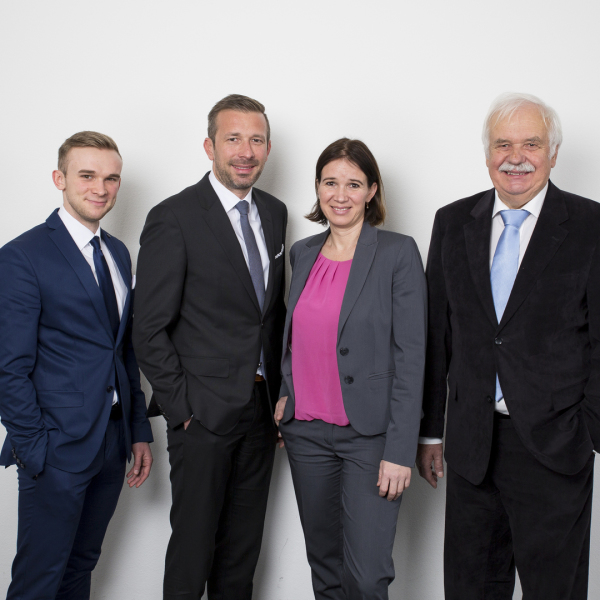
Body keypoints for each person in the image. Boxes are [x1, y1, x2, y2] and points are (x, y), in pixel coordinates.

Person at [417, 93, 600, 599]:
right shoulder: (453, 222)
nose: (515, 157)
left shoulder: (590, 226)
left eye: (531, 144)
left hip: (555, 447)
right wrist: (430, 433)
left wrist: (588, 431)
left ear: (553, 153)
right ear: (487, 154)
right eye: (503, 144)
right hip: (472, 447)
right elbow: (437, 336)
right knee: (471, 588)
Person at [133, 94, 287, 600]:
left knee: (241, 556)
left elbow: (270, 316)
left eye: (256, 140)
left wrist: (281, 395)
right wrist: (183, 410)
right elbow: (148, 328)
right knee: (192, 553)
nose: (246, 151)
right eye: (233, 138)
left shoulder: (274, 212)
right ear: (209, 146)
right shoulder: (173, 217)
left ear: (268, 149)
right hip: (201, 416)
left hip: (260, 413)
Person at [0, 131, 154, 600]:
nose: (100, 189)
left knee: (81, 566)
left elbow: (122, 351)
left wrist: (138, 431)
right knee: (39, 578)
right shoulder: (22, 256)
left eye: (111, 178)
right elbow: (9, 367)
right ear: (59, 178)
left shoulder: (118, 253)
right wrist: (35, 448)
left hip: (112, 440)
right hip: (56, 447)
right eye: (87, 175)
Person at [275, 138, 427, 600]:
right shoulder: (302, 252)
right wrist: (286, 390)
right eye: (330, 183)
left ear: (372, 191)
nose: (340, 195)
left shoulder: (398, 252)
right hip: (306, 434)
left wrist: (400, 450)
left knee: (366, 575)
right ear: (317, 188)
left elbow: (412, 355)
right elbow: (294, 333)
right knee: (325, 566)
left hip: (371, 437)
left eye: (353, 184)